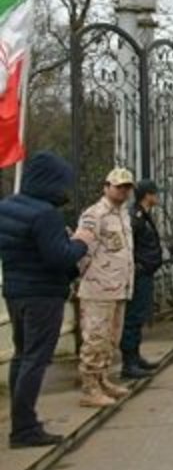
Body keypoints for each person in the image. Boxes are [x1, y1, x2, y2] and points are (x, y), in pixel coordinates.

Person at [0, 152, 91, 447]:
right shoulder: (45, 214)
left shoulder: (7, 207)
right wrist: (79, 242)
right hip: (43, 294)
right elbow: (58, 257)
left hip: (15, 291)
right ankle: (25, 428)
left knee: (22, 355)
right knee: (36, 359)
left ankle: (20, 420)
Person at [76, 168, 137, 408]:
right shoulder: (94, 215)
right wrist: (89, 278)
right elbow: (82, 251)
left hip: (118, 286)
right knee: (96, 338)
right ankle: (90, 387)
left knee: (111, 338)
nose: (123, 191)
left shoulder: (123, 215)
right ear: (106, 186)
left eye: (126, 187)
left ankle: (103, 379)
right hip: (98, 288)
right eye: (118, 186)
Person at [119, 179, 162, 379]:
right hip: (139, 273)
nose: (158, 196)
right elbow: (129, 246)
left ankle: (135, 357)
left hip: (145, 272)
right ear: (148, 195)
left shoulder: (143, 216)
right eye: (155, 193)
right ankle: (129, 362)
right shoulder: (135, 218)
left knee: (139, 316)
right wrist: (139, 265)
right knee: (133, 317)